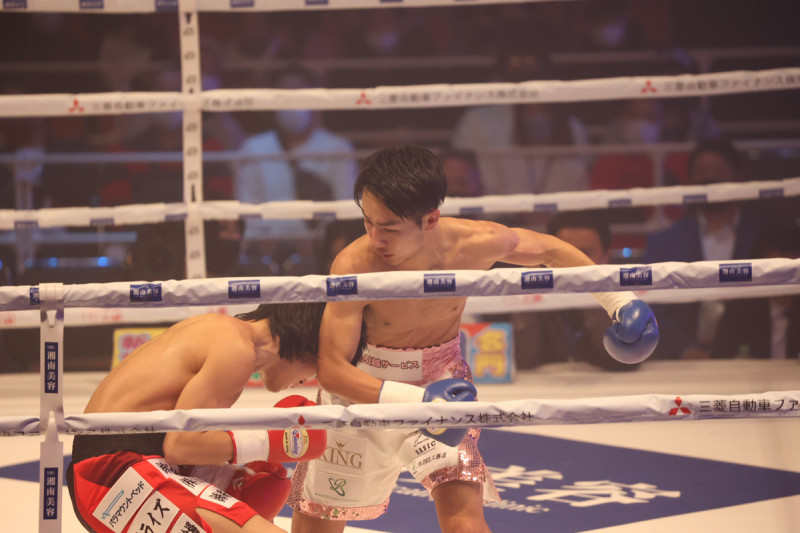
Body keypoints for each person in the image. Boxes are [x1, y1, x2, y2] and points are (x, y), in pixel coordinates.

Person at [288, 145, 659, 532]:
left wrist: (619, 301)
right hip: (363, 391)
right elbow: (332, 370)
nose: (375, 237)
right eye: (368, 222)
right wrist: (419, 402)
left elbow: (550, 250)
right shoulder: (354, 265)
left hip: (442, 384)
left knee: (463, 522)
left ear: (431, 220)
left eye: (390, 228)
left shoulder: (472, 243)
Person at [67, 303, 331, 533]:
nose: (310, 378)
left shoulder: (224, 330)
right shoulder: (235, 349)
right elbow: (181, 447)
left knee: (259, 489)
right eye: (318, 365)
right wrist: (266, 442)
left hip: (121, 466)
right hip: (111, 475)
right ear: (306, 344)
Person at [643, 138, 764, 359]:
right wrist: (685, 350)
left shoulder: (762, 236)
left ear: (737, 177)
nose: (711, 177)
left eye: (719, 170)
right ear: (690, 181)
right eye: (702, 172)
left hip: (752, 356)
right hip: (682, 361)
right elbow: (651, 306)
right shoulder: (664, 242)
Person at [235, 67, 358, 242]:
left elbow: (347, 206)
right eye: (285, 96)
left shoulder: (338, 147)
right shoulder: (253, 149)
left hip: (323, 247)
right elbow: (248, 211)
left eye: (299, 94)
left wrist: (324, 244)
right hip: (268, 248)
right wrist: (266, 244)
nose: (292, 104)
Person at [512, 210, 641, 371]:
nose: (573, 263)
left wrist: (597, 291)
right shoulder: (537, 284)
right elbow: (522, 361)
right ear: (547, 256)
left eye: (584, 254)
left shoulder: (625, 292)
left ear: (606, 255)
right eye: (564, 254)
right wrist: (529, 291)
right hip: (548, 384)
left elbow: (627, 362)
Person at [710, 223, 800, 360]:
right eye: (776, 268)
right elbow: (719, 358)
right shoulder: (740, 310)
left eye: (793, 261)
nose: (785, 273)